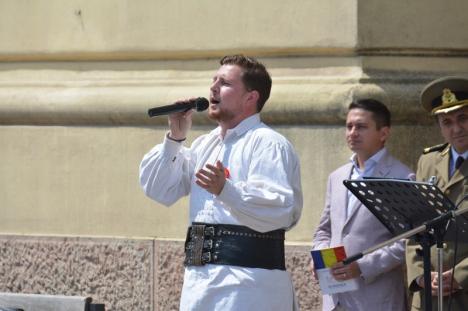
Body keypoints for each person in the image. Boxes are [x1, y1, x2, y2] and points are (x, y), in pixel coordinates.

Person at [139, 55, 303, 311]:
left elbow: (279, 210)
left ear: (251, 97)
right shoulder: (206, 144)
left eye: (224, 83)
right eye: (213, 80)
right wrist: (175, 137)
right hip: (199, 285)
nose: (213, 88)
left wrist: (226, 190)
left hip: (247, 289)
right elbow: (160, 190)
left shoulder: (267, 143)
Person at [311, 99, 414, 311]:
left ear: (383, 133)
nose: (353, 132)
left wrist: (362, 266)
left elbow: (409, 241)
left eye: (361, 127)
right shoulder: (337, 176)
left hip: (377, 300)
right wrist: (321, 258)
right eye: (349, 126)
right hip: (335, 299)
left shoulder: (402, 177)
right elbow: (325, 230)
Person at [406, 76, 468, 311]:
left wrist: (460, 275)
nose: (456, 128)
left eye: (463, 118)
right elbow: (415, 228)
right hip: (429, 296)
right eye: (447, 122)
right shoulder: (428, 162)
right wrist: (421, 276)